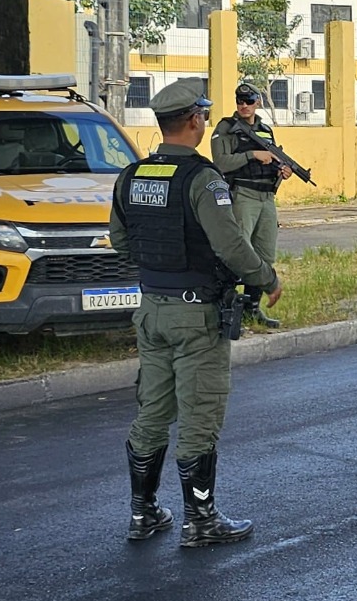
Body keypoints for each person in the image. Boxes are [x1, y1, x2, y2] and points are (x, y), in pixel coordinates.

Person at [111, 82, 283, 548]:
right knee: (199, 415)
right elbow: (231, 246)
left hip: (150, 310)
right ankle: (200, 521)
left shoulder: (131, 177)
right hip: (196, 315)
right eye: (203, 115)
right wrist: (266, 278)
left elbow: (121, 243)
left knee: (152, 411)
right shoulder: (203, 180)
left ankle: (143, 514)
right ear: (194, 121)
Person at [208, 80, 286, 327]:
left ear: (258, 102)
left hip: (266, 197)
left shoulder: (265, 129)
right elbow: (220, 162)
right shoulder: (226, 128)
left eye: (249, 101)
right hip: (243, 195)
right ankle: (229, 310)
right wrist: (252, 154)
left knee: (264, 255)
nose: (244, 106)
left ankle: (252, 309)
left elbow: (271, 162)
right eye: (240, 101)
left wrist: (281, 172)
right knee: (239, 253)